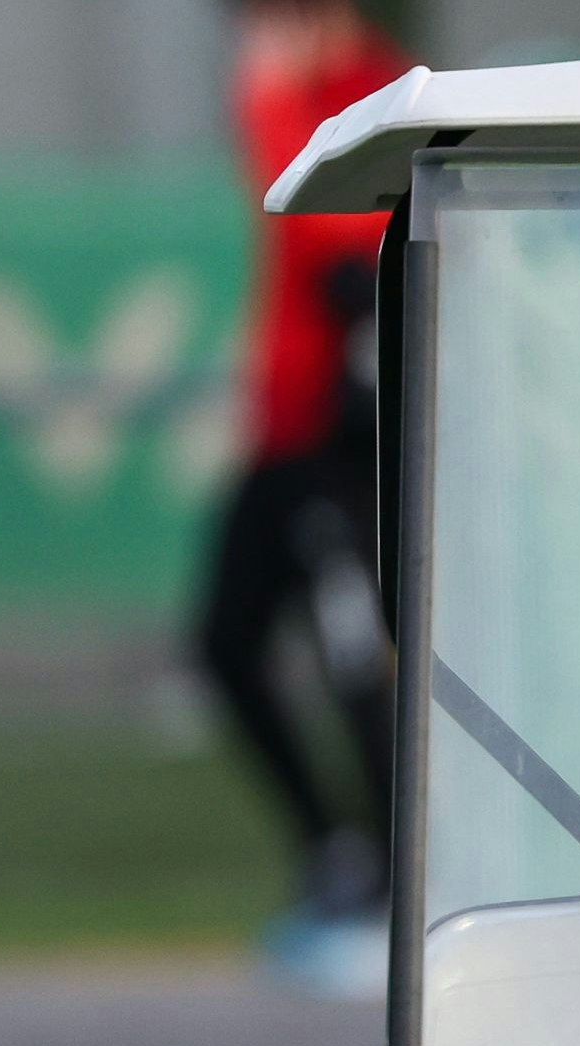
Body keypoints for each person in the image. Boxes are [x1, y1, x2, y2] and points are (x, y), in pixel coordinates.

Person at [196, 0, 405, 939]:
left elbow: (341, 253)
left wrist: (268, 103)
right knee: (225, 641)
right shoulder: (298, 94)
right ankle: (336, 850)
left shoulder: (375, 93)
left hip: (341, 445)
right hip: (284, 439)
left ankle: (400, 877)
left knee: (356, 656)